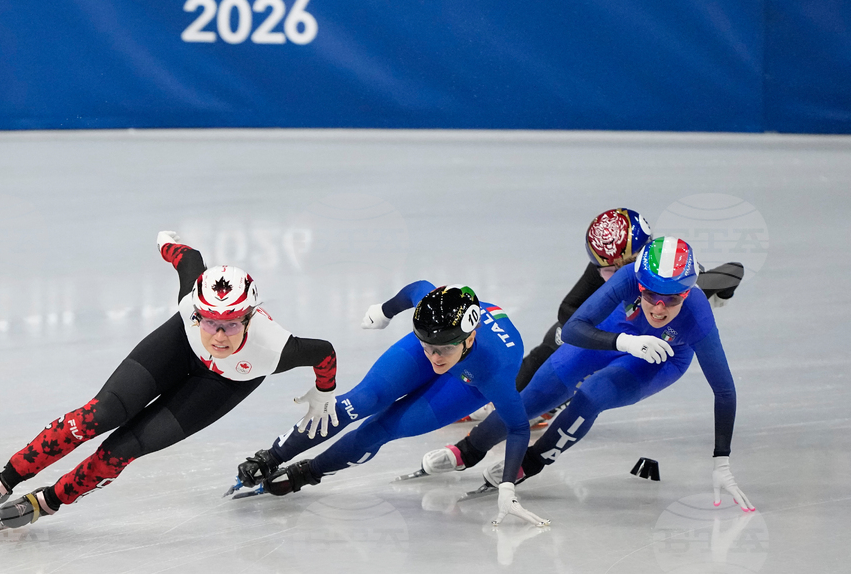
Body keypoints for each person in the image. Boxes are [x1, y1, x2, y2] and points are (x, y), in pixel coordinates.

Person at [0, 232, 340, 533]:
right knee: (96, 416)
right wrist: (166, 241)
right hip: (177, 348)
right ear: (197, 312)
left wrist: (325, 391)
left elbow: (323, 352)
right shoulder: (190, 303)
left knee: (124, 447)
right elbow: (189, 257)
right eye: (210, 322)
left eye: (232, 324)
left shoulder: (276, 349)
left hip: (225, 384)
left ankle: (49, 500)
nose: (219, 335)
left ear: (251, 319)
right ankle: (3, 480)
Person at [232, 283, 550, 527]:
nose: (433, 357)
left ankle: (308, 473)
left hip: (469, 380)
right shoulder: (434, 316)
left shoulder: (496, 373)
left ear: (468, 339)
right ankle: (271, 457)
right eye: (427, 347)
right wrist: (385, 311)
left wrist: (508, 485)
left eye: (441, 351)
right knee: (360, 401)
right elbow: (417, 288)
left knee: (381, 430)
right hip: (449, 340)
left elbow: (519, 428)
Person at [475, 236, 754, 512]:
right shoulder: (628, 276)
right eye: (650, 294)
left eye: (671, 299)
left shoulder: (697, 313)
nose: (659, 307)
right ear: (639, 282)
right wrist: (624, 341)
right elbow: (571, 327)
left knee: (592, 395)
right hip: (622, 329)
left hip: (665, 354)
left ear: (687, 291)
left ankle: (531, 462)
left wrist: (722, 462)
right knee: (538, 391)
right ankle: (467, 449)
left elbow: (725, 390)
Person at [422, 207, 652, 474]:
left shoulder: (663, 275)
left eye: (618, 269)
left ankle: (554, 401)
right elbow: (568, 308)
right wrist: (588, 332)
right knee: (553, 341)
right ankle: (508, 397)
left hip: (639, 341)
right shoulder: (606, 263)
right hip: (603, 327)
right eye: (605, 268)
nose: (613, 275)